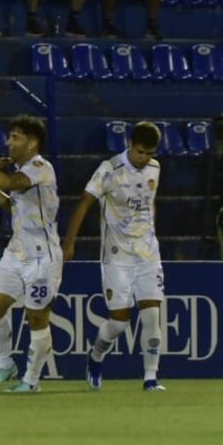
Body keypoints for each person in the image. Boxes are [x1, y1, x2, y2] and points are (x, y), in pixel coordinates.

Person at [0, 116, 62, 394]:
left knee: (37, 317)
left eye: (15, 137)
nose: (8, 142)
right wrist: (0, 198)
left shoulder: (40, 167)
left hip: (42, 256)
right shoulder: (22, 170)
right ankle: (6, 364)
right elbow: (19, 206)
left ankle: (31, 380)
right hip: (16, 252)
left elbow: (9, 181)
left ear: (32, 143)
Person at [62, 122, 166, 392]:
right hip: (117, 255)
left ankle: (151, 379)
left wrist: (149, 230)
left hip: (147, 252)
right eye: (142, 152)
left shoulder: (155, 167)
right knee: (119, 323)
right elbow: (85, 201)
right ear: (130, 144)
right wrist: (69, 243)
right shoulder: (110, 170)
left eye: (151, 153)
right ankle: (96, 356)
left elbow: (149, 200)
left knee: (152, 315)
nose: (146, 159)